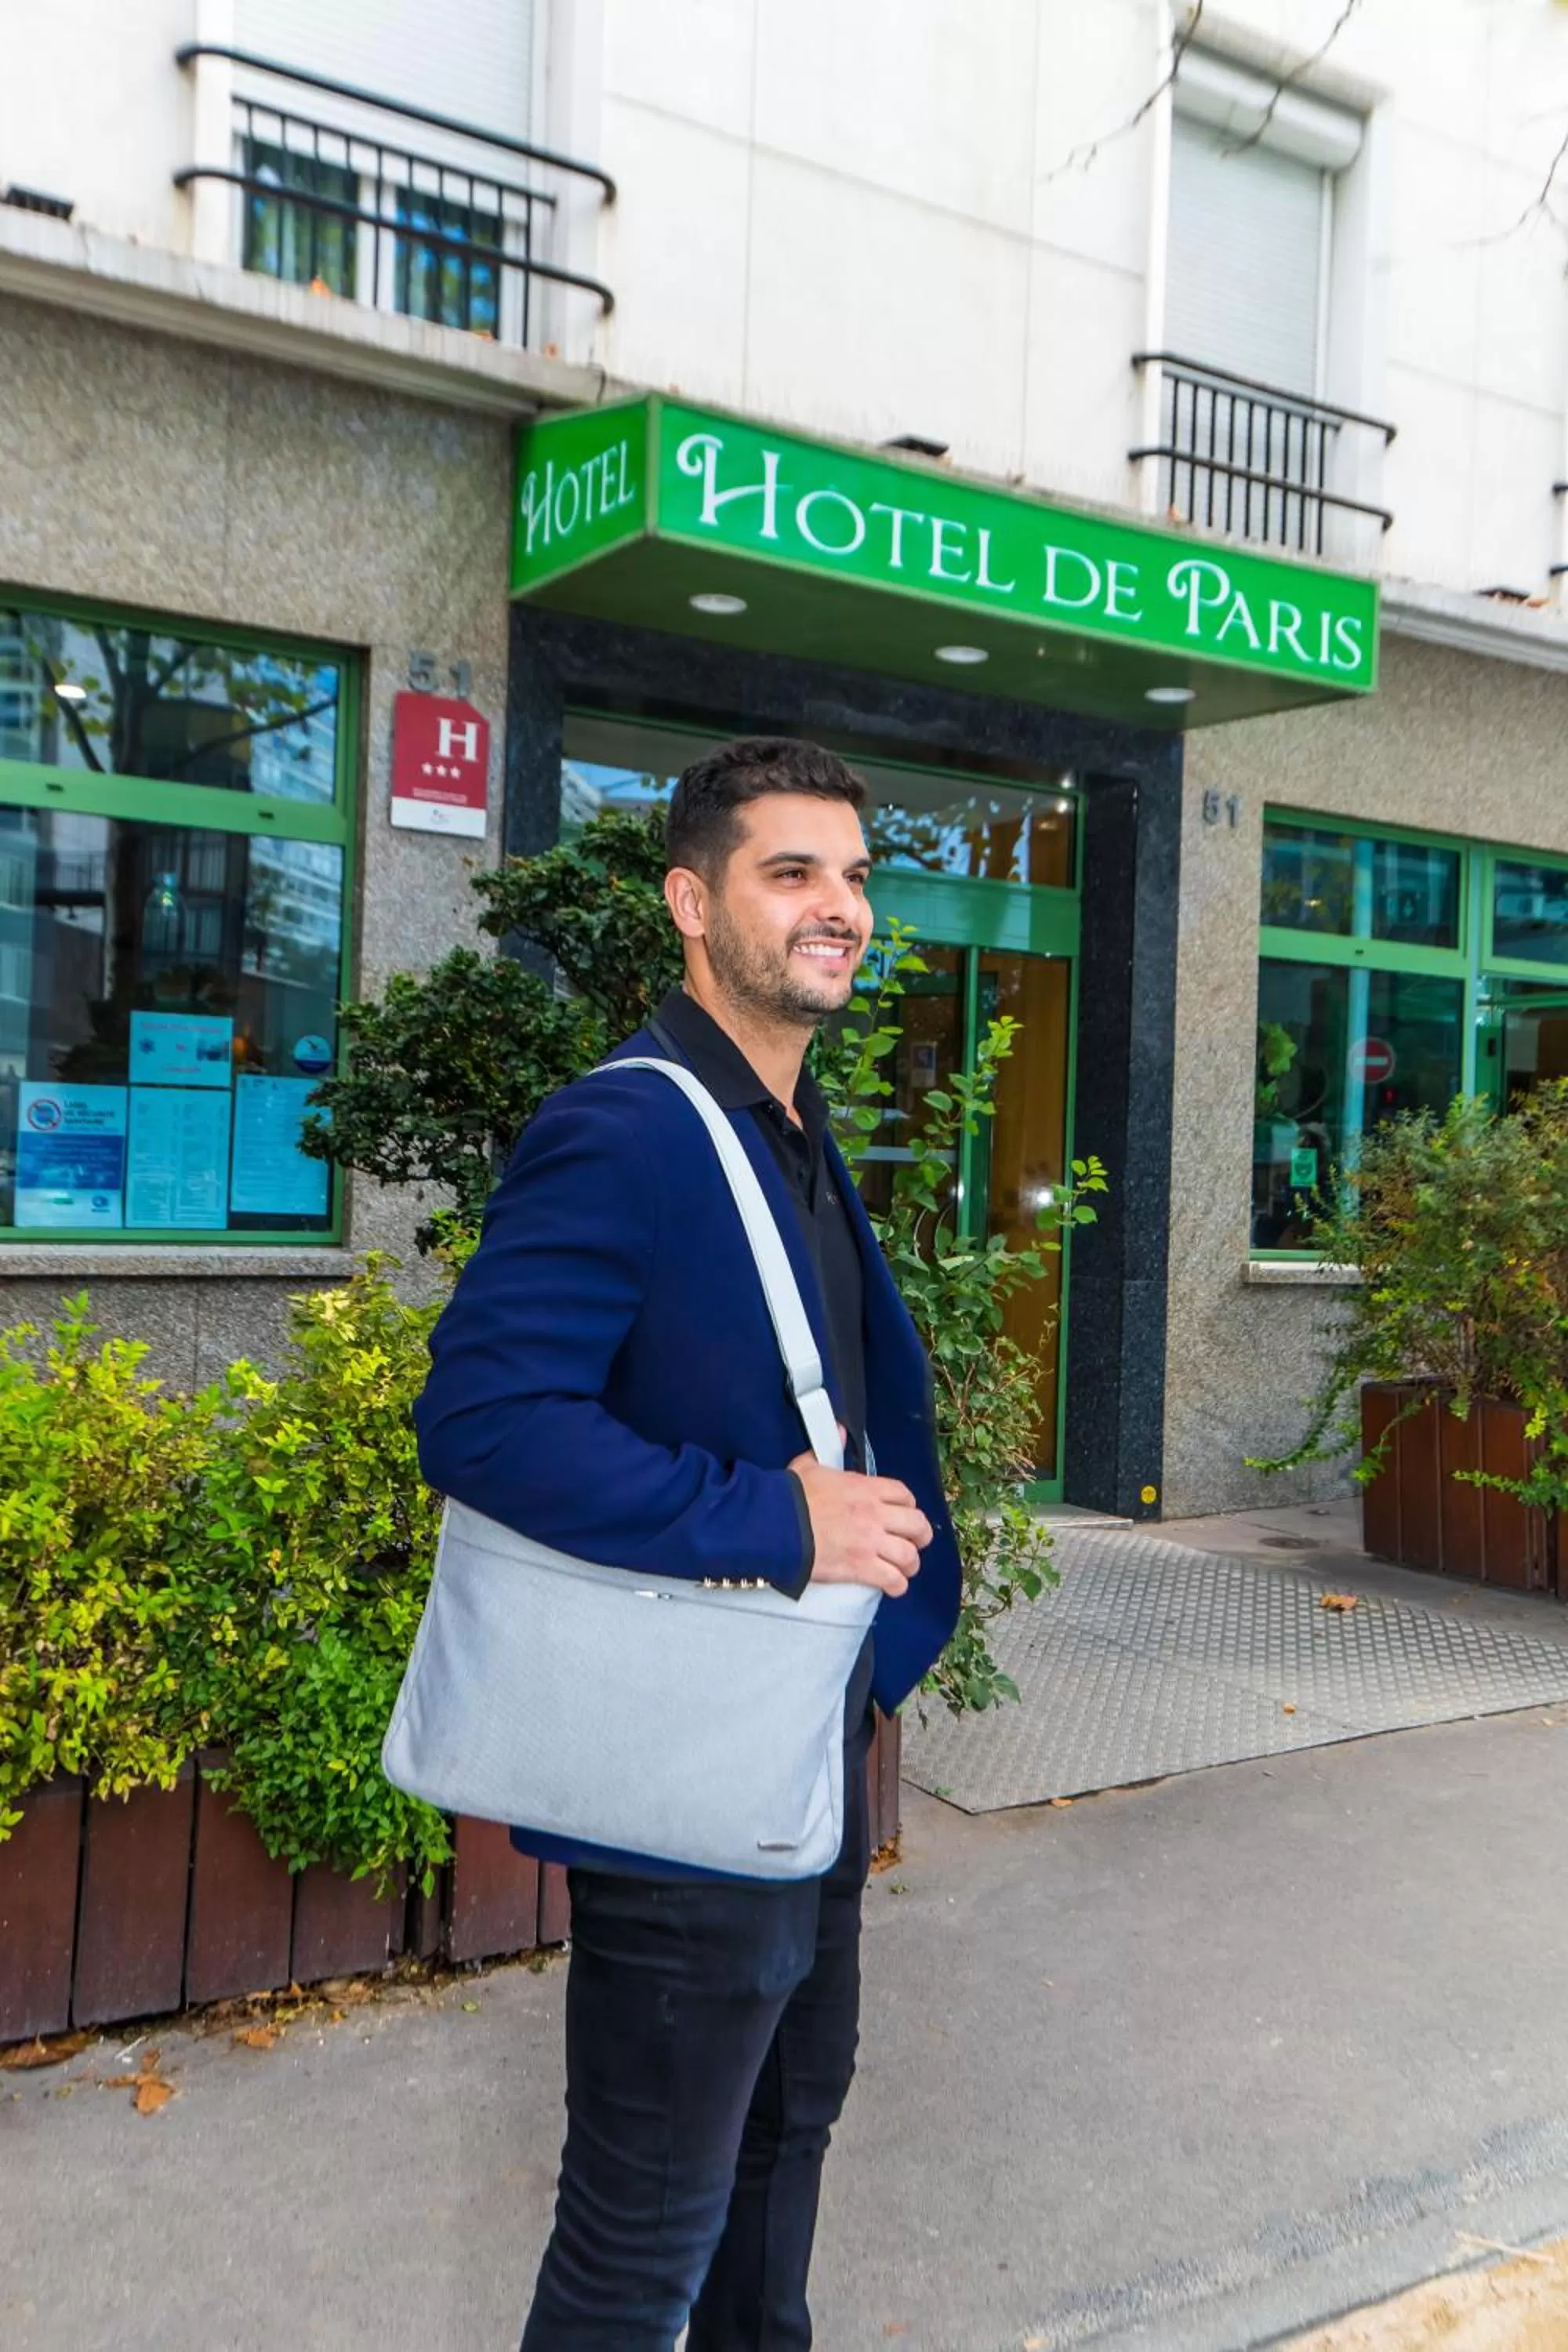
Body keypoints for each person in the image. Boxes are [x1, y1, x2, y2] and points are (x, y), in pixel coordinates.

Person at [415, 735, 961, 2350]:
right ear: (690, 899)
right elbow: (486, 1423)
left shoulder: (787, 1128)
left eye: (855, 876)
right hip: (677, 1782)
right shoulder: (631, 1129)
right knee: (640, 2234)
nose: (838, 907)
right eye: (791, 872)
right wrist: (777, 1517)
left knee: (785, 2147)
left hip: (802, 1735)